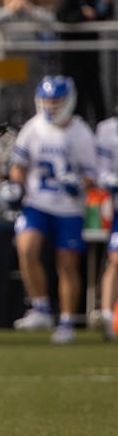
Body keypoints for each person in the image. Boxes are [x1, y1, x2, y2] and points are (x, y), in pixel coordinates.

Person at [9, 75, 96, 345]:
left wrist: (78, 184)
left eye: (57, 101)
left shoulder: (80, 133)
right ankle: (41, 307)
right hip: (37, 203)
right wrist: (15, 186)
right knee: (26, 247)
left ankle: (67, 321)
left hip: (69, 207)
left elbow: (92, 176)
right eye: (47, 100)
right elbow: (18, 166)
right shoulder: (33, 128)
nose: (51, 106)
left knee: (67, 264)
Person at [0, 0, 58, 128]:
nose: (16, 1)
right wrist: (10, 10)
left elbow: (50, 20)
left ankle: (36, 128)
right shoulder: (2, 14)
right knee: (3, 98)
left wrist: (30, 9)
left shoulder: (31, 13)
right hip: (9, 59)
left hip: (31, 58)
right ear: (4, 0)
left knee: (32, 97)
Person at [55, 0, 113, 126]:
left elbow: (99, 17)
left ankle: (102, 130)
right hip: (74, 57)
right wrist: (82, 14)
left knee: (96, 95)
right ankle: (77, 128)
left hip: (90, 56)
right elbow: (62, 16)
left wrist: (106, 4)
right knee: (77, 97)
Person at [95, 105, 118, 341]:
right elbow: (99, 169)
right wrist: (108, 179)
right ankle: (107, 315)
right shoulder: (107, 130)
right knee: (115, 259)